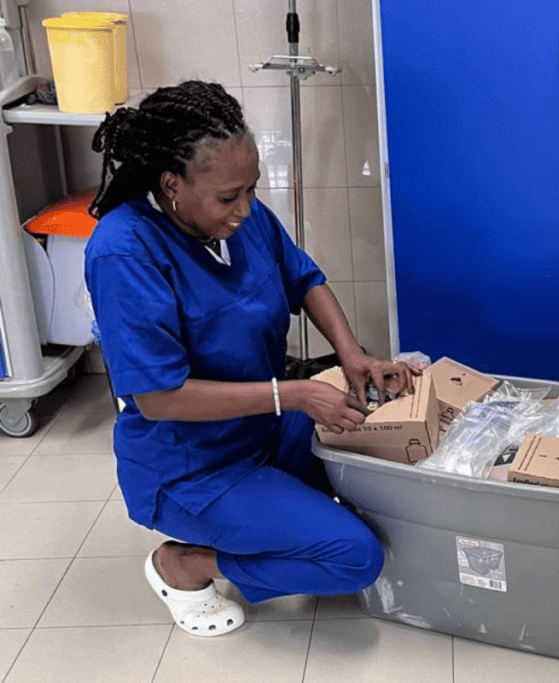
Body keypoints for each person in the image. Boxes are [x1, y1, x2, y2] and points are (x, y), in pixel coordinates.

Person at [84, 80, 416, 637]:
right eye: (227, 197)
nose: (244, 209)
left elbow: (303, 277)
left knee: (367, 452)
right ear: (172, 186)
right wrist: (294, 394)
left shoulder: (240, 217)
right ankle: (185, 564)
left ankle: (272, 518)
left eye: (251, 190)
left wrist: (353, 355)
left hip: (263, 428)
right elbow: (159, 397)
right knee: (357, 556)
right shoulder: (125, 250)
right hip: (193, 467)